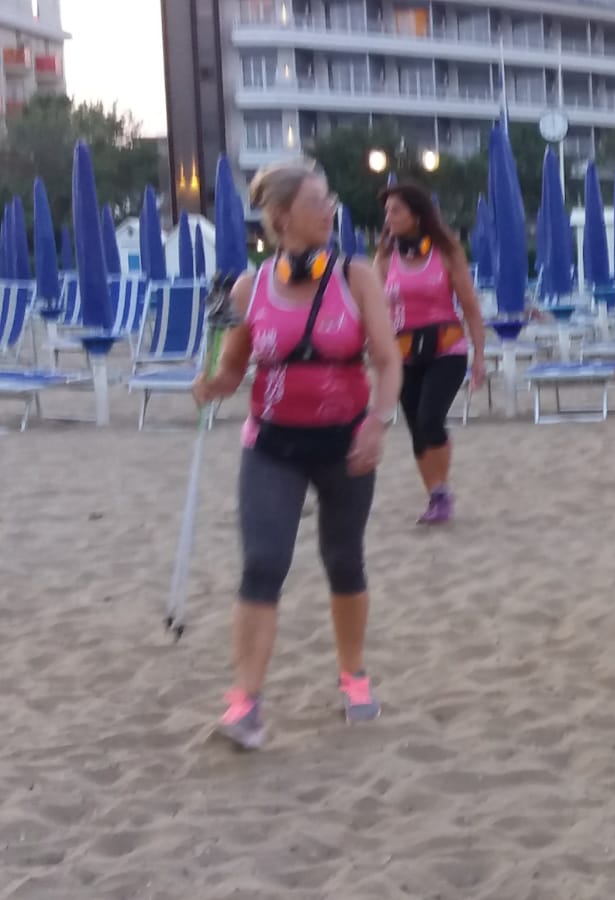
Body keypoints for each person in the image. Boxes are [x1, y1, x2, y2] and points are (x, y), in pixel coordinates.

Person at [192, 159, 402, 750]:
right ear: (282, 217)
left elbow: (387, 361)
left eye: (329, 200)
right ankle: (245, 703)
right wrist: (210, 384)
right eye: (317, 202)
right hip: (271, 445)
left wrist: (378, 422)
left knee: (343, 559)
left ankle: (353, 677)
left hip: (344, 442)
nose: (330, 210)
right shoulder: (248, 288)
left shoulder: (355, 277)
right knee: (262, 563)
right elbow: (232, 369)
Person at [374, 182, 487, 525]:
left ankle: (441, 490)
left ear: (417, 215)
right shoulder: (385, 258)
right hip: (404, 353)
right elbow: (375, 308)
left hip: (446, 349)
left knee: (430, 418)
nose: (388, 217)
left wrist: (479, 356)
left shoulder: (446, 253)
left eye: (396, 210)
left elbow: (470, 306)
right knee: (416, 429)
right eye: (386, 211)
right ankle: (436, 495)